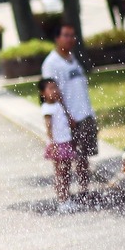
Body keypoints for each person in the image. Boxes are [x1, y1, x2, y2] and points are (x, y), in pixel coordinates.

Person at [40, 23, 98, 197]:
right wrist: (66, 115)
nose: (70, 39)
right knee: (63, 161)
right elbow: (52, 93)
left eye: (72, 35)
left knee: (83, 158)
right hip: (68, 119)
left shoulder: (73, 58)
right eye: (66, 35)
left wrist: (90, 114)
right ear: (57, 38)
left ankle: (84, 192)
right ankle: (64, 196)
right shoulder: (51, 63)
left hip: (84, 115)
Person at [38, 78, 77, 213]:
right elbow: (48, 126)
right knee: (60, 173)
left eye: (56, 87)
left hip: (66, 142)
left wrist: (64, 107)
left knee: (66, 172)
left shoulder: (59, 104)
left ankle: (67, 198)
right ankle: (62, 200)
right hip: (57, 144)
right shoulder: (47, 108)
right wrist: (52, 142)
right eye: (51, 88)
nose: (55, 91)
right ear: (43, 93)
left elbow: (69, 122)